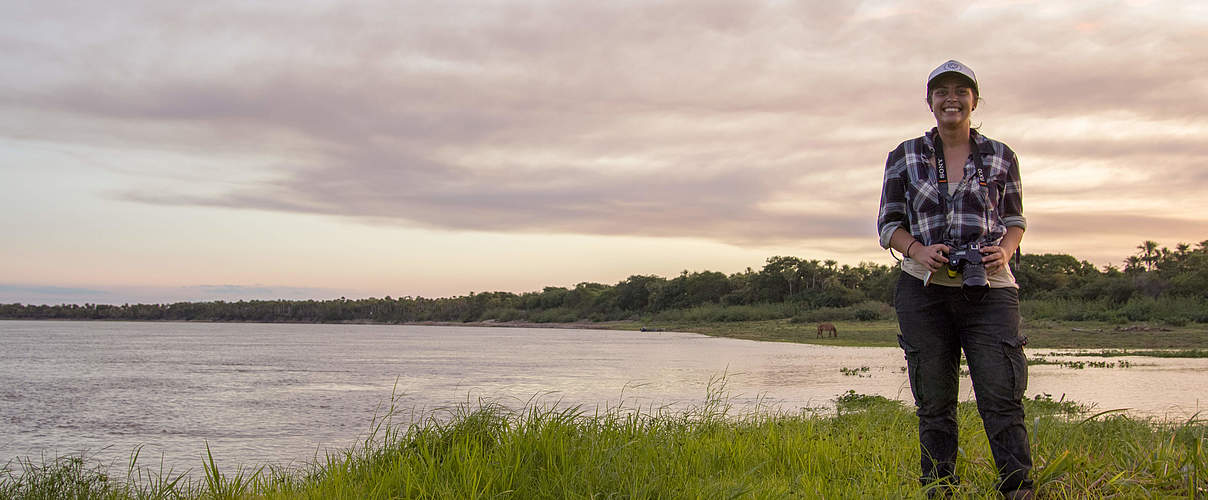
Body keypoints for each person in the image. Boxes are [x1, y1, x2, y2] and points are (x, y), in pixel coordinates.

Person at [876, 60, 1034, 499]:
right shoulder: (904, 155)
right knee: (935, 403)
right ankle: (940, 489)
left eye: (960, 91)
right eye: (941, 91)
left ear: (974, 101)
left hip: (989, 287)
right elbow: (889, 224)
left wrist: (1004, 250)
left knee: (1002, 396)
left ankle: (1018, 489)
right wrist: (920, 250)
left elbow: (1015, 220)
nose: (951, 99)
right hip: (922, 288)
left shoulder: (1001, 155)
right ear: (929, 103)